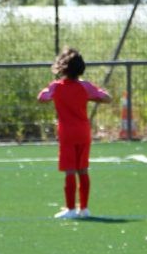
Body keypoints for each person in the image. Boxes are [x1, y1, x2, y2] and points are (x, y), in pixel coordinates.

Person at [37, 46, 112, 219]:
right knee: (83, 170)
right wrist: (90, 97)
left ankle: (70, 209)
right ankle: (84, 208)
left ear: (62, 68)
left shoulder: (56, 86)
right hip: (83, 132)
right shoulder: (85, 86)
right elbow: (107, 98)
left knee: (70, 171)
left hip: (66, 133)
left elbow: (42, 98)